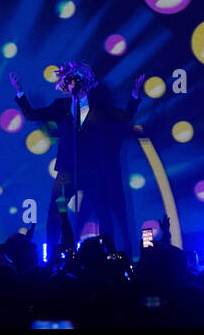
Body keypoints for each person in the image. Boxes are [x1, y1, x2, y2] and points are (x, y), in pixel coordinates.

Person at [10, 63, 146, 253]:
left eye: (72, 81)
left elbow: (125, 116)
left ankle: (111, 255)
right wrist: (20, 93)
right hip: (67, 169)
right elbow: (32, 114)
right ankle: (51, 256)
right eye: (67, 82)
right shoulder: (61, 106)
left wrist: (135, 94)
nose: (70, 85)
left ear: (81, 82)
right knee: (56, 213)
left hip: (93, 171)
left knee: (103, 214)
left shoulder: (99, 108)